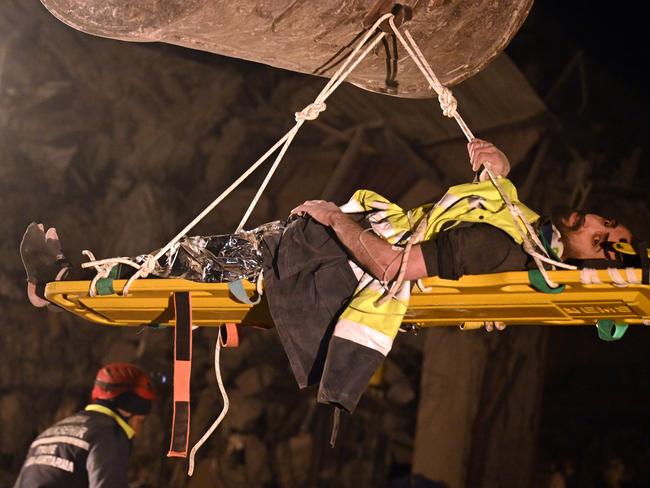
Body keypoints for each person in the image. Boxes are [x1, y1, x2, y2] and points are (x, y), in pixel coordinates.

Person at [19, 140, 634, 413]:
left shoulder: (501, 248)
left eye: (605, 238)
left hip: (331, 261)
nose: (600, 222)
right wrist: (497, 170)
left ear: (592, 255)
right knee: (209, 258)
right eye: (610, 223)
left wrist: (337, 220)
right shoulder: (524, 233)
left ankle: (60, 281)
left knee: (201, 258)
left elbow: (393, 265)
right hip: (333, 258)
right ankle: (72, 279)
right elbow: (498, 215)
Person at [14, 363, 155, 488]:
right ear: (126, 410)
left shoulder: (49, 433)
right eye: (139, 422)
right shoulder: (108, 433)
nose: (137, 432)